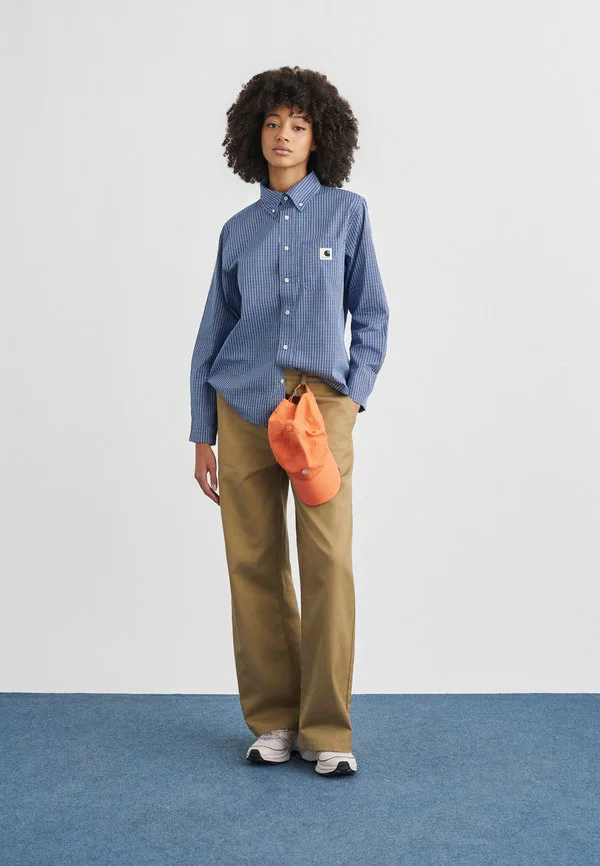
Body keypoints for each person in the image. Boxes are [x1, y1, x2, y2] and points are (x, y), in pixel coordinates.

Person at [189, 65, 389, 777]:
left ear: (318, 136)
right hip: (242, 408)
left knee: (328, 562)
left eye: (298, 125)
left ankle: (327, 730)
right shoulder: (237, 231)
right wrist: (201, 432)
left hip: (318, 412)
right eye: (273, 123)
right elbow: (211, 336)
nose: (283, 135)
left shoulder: (347, 214)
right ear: (254, 133)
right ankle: (273, 722)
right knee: (254, 564)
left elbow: (373, 315)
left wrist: (350, 400)